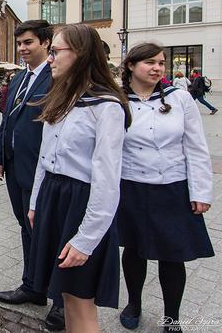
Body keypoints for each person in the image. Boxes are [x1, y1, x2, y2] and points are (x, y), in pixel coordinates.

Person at [28, 23, 130, 332]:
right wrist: (35, 203)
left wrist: (87, 239)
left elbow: (107, 179)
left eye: (56, 52)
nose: (50, 59)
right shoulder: (61, 98)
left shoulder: (106, 106)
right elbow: (44, 160)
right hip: (54, 197)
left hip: (82, 204)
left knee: (81, 300)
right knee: (66, 297)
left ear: (81, 54)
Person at [118, 43, 214, 332]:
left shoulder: (180, 98)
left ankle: (172, 317)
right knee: (134, 250)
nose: (158, 67)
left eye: (161, 62)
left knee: (172, 255)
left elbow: (196, 147)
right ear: (131, 66)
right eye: (150, 62)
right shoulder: (118, 101)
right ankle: (134, 303)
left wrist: (200, 191)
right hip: (132, 187)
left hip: (172, 187)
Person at [0, 20, 64, 330]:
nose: (22, 48)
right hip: (15, 167)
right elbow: (8, 117)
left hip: (42, 170)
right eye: (19, 43)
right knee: (26, 227)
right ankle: (33, 286)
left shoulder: (57, 77)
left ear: (46, 43)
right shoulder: (20, 77)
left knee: (54, 233)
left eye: (28, 42)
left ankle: (61, 302)